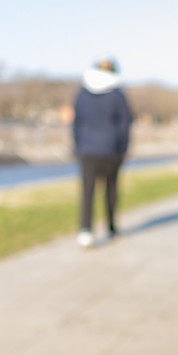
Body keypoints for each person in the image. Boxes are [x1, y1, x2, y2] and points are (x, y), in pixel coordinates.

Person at [72, 58, 133, 248]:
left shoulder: (82, 93)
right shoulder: (117, 94)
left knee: (87, 191)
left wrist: (78, 145)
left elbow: (76, 123)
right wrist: (123, 148)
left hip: (86, 149)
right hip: (111, 149)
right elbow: (125, 124)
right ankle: (112, 229)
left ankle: (85, 231)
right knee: (111, 190)